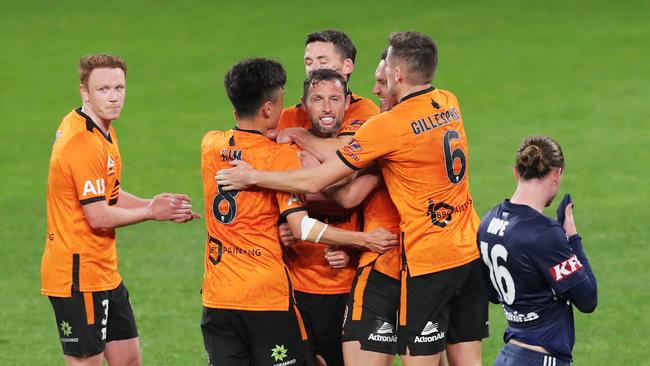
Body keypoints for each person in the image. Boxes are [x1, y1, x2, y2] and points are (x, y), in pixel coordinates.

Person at [216, 31, 488, 366]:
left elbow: (331, 184)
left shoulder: (387, 125)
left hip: (426, 259)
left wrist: (255, 175)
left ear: (398, 75)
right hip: (467, 250)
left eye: (383, 77)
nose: (376, 87)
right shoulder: (448, 101)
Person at [199, 58, 398, 366]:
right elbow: (304, 226)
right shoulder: (281, 157)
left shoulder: (210, 144)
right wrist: (363, 240)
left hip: (217, 295)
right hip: (266, 294)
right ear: (268, 108)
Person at [41, 54, 200, 366]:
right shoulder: (82, 143)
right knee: (87, 362)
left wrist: (155, 204)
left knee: (127, 360)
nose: (113, 97)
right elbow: (98, 215)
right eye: (103, 89)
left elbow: (109, 194)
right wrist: (151, 212)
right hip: (77, 275)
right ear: (84, 91)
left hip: (103, 271)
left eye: (119, 87)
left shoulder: (102, 130)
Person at [477, 136, 597, 366]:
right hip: (541, 358)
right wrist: (572, 237)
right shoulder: (543, 233)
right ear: (556, 174)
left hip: (508, 356)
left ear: (515, 171)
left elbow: (493, 294)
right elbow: (588, 299)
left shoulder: (488, 222)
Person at [279, 68, 361, 366]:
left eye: (334, 99)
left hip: (349, 289)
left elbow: (379, 218)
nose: (326, 108)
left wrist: (351, 251)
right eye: (317, 99)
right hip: (296, 288)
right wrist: (280, 229)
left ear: (347, 103)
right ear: (304, 104)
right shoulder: (286, 151)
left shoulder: (365, 148)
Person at [274, 29, 379, 161]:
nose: (313, 69)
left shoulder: (365, 111)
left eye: (323, 62)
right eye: (308, 63)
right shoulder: (288, 116)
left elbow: (346, 160)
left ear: (347, 66)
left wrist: (298, 135)